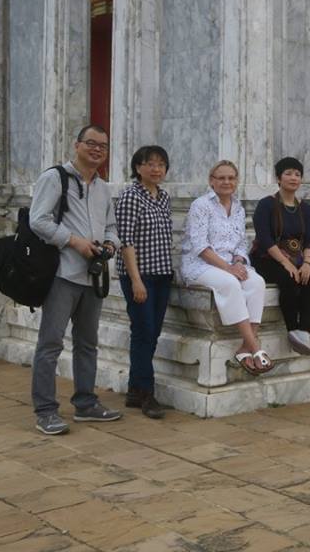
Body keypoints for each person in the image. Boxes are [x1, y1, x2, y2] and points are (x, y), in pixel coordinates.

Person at [29, 125, 122, 435]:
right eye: (91, 143)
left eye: (103, 146)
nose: (97, 150)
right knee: (50, 343)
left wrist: (110, 244)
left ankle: (85, 403)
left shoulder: (103, 188)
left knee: (87, 343)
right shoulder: (55, 178)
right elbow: (38, 220)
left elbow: (112, 227)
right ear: (77, 145)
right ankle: (46, 411)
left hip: (92, 277)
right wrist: (74, 241)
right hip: (62, 273)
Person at [182, 161, 270, 376]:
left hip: (231, 263)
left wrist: (238, 261)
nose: (226, 182)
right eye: (221, 178)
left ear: (236, 181)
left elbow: (241, 242)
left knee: (257, 282)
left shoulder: (238, 207)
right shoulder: (201, 205)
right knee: (230, 283)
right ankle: (255, 346)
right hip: (201, 264)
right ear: (211, 181)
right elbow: (200, 246)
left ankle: (244, 347)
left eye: (231, 178)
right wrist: (229, 269)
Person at [115, 145, 174, 420]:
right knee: (144, 331)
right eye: (150, 164)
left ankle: (133, 388)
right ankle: (147, 394)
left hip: (162, 274)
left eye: (161, 164)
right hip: (140, 277)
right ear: (138, 168)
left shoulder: (164, 197)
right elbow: (125, 241)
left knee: (151, 333)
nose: (156, 169)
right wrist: (136, 280)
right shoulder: (130, 196)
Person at [252, 157, 310, 356]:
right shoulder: (266, 205)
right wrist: (284, 262)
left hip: (296, 258)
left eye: (297, 174)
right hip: (267, 258)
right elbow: (264, 238)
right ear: (278, 178)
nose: (293, 178)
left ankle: (304, 331)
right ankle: (292, 329)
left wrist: (306, 263)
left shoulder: (305, 208)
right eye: (288, 173)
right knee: (288, 277)